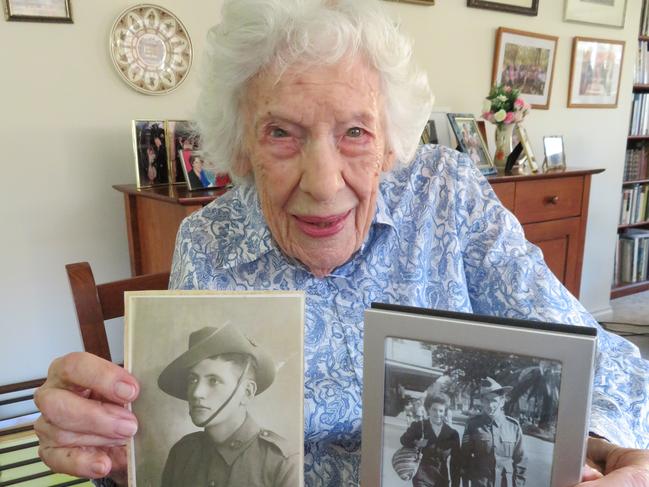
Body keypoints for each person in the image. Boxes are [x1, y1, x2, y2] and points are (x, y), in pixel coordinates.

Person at [33, 1, 649, 486]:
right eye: (281, 132)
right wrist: (116, 451)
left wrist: (611, 447)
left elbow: (595, 354)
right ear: (242, 148)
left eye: (356, 131)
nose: (325, 185)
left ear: (390, 143)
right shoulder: (210, 241)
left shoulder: (448, 193)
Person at [158, 323, 299, 487]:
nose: (197, 392)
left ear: (247, 392)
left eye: (214, 381)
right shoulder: (183, 453)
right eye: (193, 380)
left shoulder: (283, 462)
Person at [461, 378, 525, 487]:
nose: (490, 405)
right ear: (482, 401)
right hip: (480, 483)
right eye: (487, 400)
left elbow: (520, 461)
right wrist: (466, 484)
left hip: (505, 483)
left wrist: (518, 485)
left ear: (502, 401)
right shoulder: (473, 425)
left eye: (494, 400)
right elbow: (464, 458)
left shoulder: (513, 427)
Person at [400, 393, 460, 487]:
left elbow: (455, 463)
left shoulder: (452, 434)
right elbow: (403, 440)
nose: (437, 414)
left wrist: (455, 484)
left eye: (441, 411)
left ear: (445, 412)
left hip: (442, 479)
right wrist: (416, 443)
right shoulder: (419, 426)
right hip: (422, 477)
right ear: (428, 410)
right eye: (434, 409)